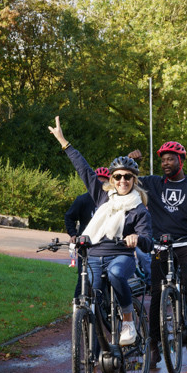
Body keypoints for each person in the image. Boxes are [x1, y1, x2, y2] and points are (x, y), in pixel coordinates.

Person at [48, 117, 153, 347]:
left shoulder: (138, 208)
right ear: (112, 179)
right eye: (118, 176)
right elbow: (83, 168)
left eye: (127, 176)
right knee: (91, 303)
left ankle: (127, 321)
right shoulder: (102, 196)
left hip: (121, 256)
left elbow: (148, 241)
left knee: (116, 273)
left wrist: (137, 239)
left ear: (134, 180)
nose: (122, 180)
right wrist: (64, 142)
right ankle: (94, 362)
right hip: (94, 256)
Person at [131, 144, 187, 360]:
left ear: (181, 161)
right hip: (160, 245)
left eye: (170, 159)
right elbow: (127, 180)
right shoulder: (153, 183)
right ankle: (155, 345)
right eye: (163, 159)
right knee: (156, 294)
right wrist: (133, 162)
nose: (166, 163)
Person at [65, 167, 109, 299]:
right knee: (83, 279)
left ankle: (106, 309)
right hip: (86, 246)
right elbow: (69, 217)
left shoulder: (112, 200)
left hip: (107, 245)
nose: (100, 186)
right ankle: (78, 310)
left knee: (107, 279)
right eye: (97, 182)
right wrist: (73, 234)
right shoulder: (83, 200)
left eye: (104, 183)